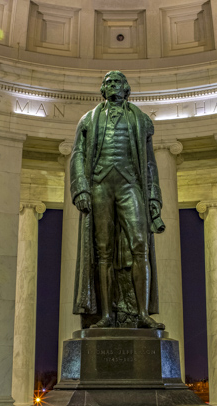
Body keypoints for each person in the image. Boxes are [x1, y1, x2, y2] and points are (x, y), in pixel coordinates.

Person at [70, 71, 165, 329]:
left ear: (126, 88)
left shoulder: (141, 120)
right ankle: (106, 315)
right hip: (100, 184)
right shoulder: (88, 120)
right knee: (103, 251)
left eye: (118, 82)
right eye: (108, 82)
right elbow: (77, 154)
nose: (113, 86)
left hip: (130, 184)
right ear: (102, 89)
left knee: (139, 245)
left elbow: (149, 163)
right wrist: (80, 188)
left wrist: (154, 196)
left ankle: (142, 313)